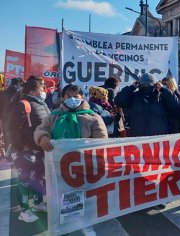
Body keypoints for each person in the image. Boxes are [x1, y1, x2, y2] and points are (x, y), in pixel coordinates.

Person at [35, 84, 107, 236]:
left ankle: (87, 225)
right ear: (62, 99)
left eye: (76, 96)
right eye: (68, 97)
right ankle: (64, 224)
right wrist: (43, 137)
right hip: (58, 166)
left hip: (83, 165)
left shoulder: (93, 117)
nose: (72, 99)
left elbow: (101, 140)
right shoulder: (53, 115)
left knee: (85, 196)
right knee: (61, 196)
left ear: (82, 98)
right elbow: (41, 129)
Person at [7, 76, 50, 223]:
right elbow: (10, 129)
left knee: (38, 177)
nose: (44, 90)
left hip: (38, 149)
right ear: (33, 90)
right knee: (25, 180)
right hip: (24, 150)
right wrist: (20, 146)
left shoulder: (42, 103)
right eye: (42, 88)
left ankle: (38, 203)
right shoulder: (23, 104)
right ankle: (24, 211)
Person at [114, 73, 179, 137]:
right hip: (155, 138)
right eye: (145, 85)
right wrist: (163, 89)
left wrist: (131, 87)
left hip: (143, 138)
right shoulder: (134, 97)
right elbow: (118, 101)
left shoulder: (162, 97)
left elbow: (176, 107)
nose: (147, 87)